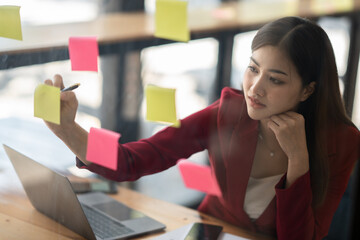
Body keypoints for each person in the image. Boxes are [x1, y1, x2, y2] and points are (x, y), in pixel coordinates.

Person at [44, 16, 359, 239]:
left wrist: (298, 160)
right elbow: (135, 159)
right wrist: (70, 131)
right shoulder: (229, 113)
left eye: (275, 79)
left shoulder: (341, 142)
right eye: (253, 69)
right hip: (209, 232)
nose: (255, 88)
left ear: (307, 90)